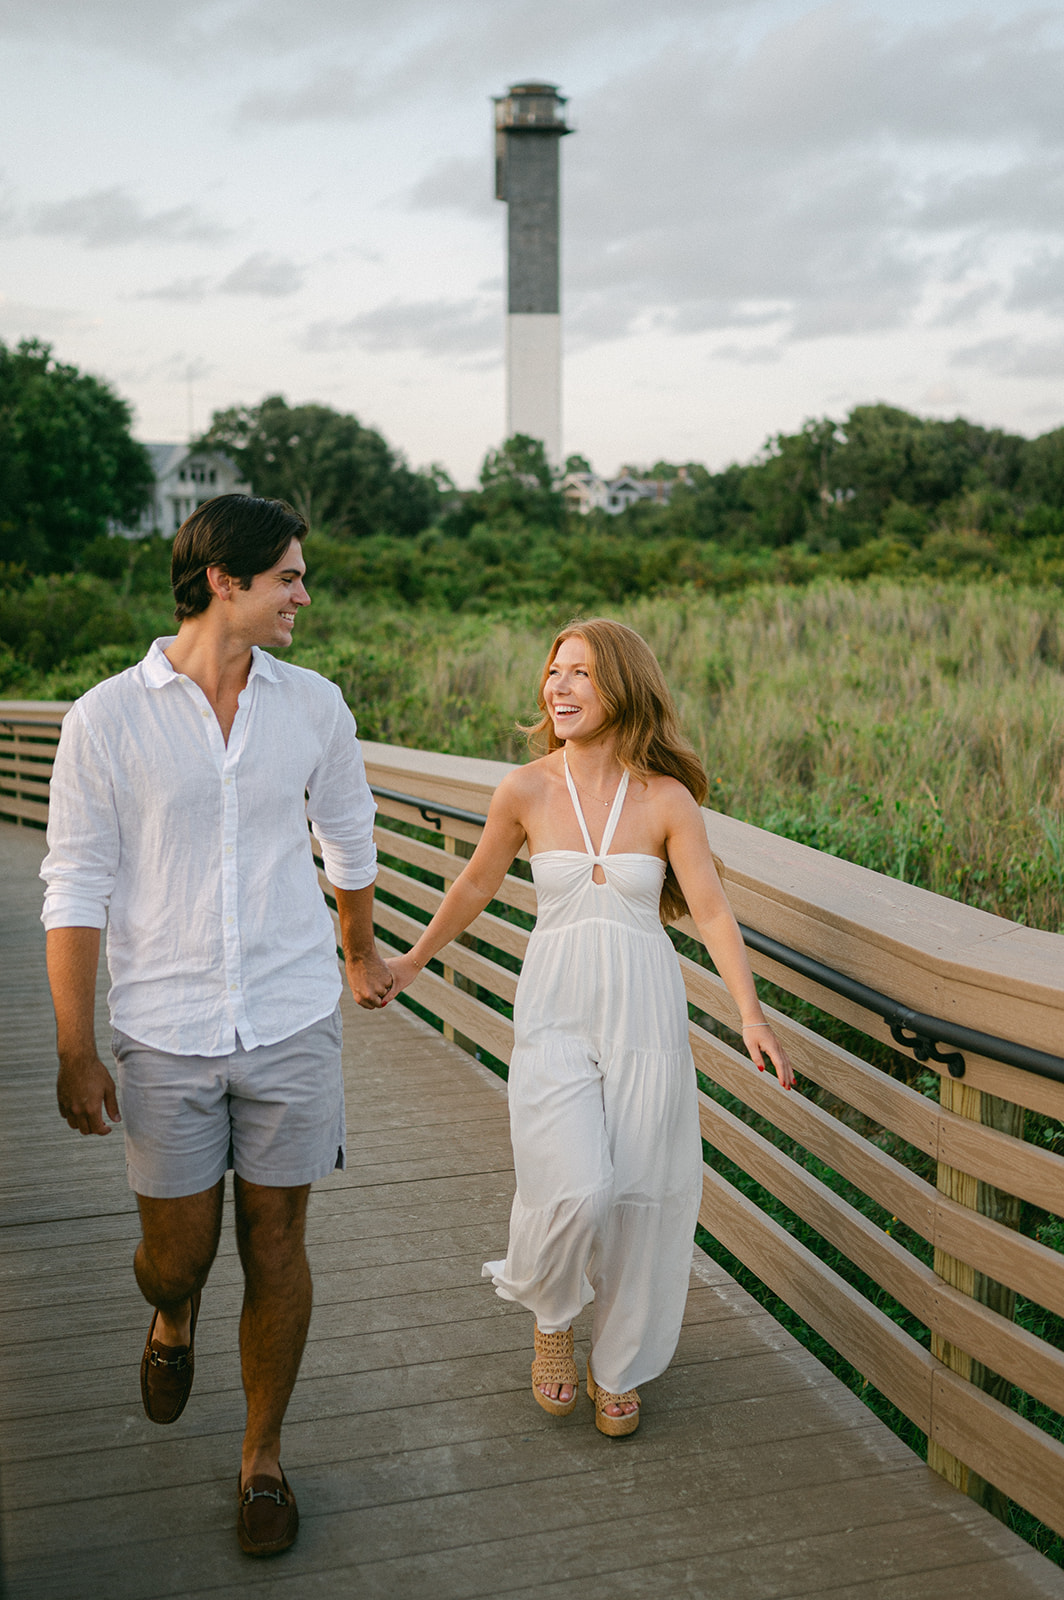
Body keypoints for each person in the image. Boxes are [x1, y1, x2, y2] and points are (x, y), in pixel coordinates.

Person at [41, 494, 393, 1556]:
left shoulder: (314, 705)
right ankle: (171, 1313)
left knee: (277, 1239)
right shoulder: (105, 717)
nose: (304, 592)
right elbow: (75, 881)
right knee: (177, 1252)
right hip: (164, 1027)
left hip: (291, 1015)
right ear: (223, 582)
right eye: (288, 574)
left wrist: (358, 947)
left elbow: (349, 838)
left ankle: (262, 1460)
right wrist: (74, 1046)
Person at [385, 618, 793, 1437]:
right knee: (573, 1187)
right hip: (556, 1010)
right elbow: (472, 885)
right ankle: (552, 1316)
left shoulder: (665, 799)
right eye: (553, 672)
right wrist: (412, 961)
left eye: (580, 674)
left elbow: (710, 910)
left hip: (645, 1011)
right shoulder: (526, 789)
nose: (559, 688)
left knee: (644, 1193)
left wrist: (750, 1014)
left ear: (624, 686)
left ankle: (620, 1366)